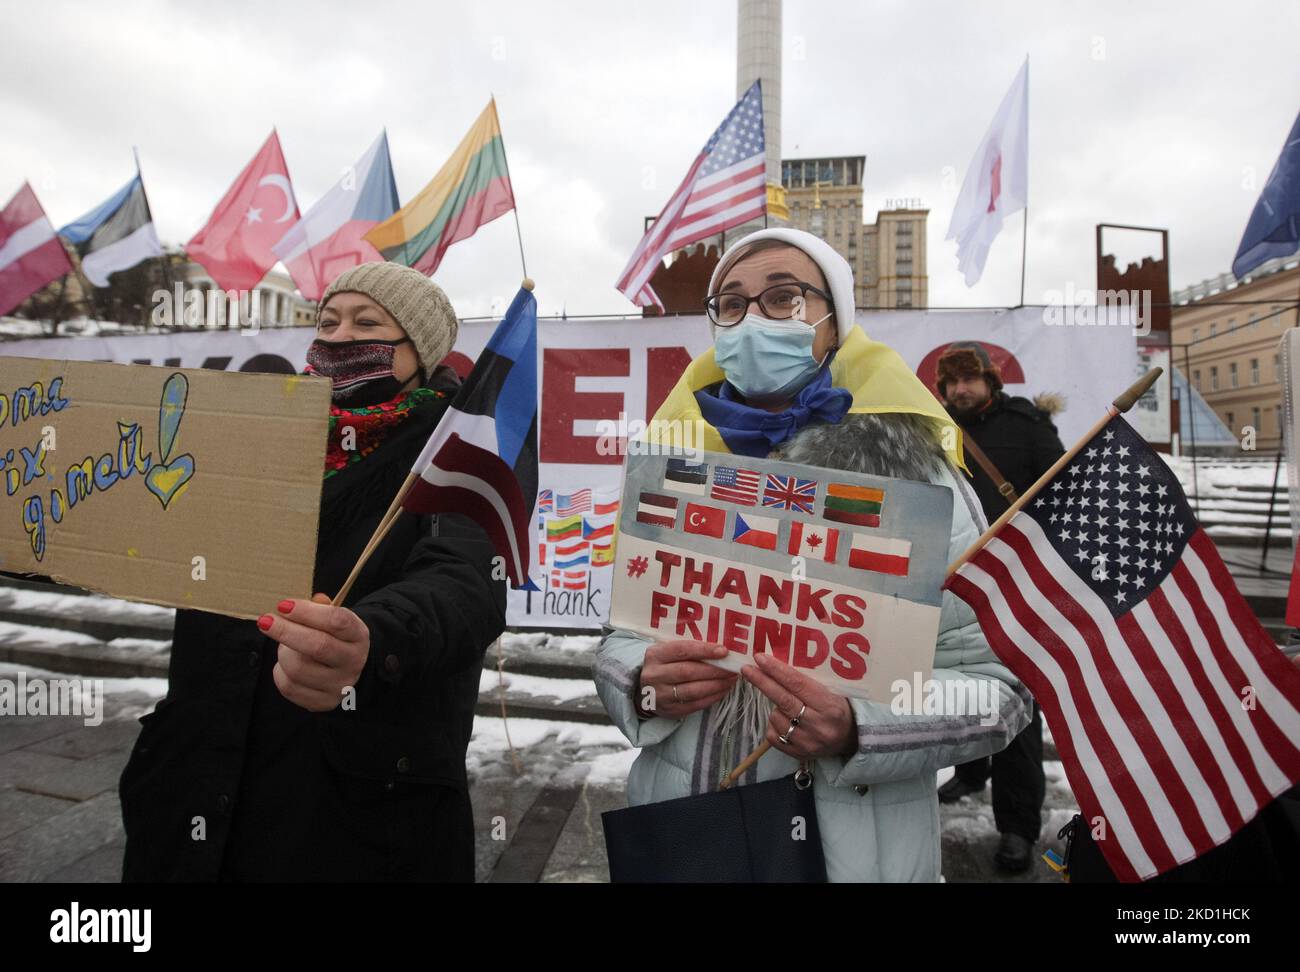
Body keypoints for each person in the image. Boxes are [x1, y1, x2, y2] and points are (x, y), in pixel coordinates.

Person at [592, 228, 1032, 882]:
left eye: (783, 298)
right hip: (689, 835)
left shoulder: (916, 481)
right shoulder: (676, 468)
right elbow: (620, 639)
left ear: (834, 321)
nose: (752, 319)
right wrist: (640, 683)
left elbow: (1002, 691)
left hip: (852, 857)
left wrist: (860, 725)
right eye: (731, 305)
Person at [118, 262, 506, 882]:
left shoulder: (455, 454)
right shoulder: (255, 432)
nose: (339, 336)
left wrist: (372, 637)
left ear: (419, 350)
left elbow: (465, 585)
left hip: (349, 805)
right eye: (327, 321)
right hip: (195, 773)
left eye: (367, 323)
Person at [932, 341, 1065, 874]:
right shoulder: (932, 429)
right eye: (952, 383)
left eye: (971, 380)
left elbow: (1062, 493)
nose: (962, 390)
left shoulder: (1028, 425)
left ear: (990, 382)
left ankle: (1017, 826)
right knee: (957, 682)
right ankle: (970, 771)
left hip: (1016, 582)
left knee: (1015, 702)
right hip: (954, 582)